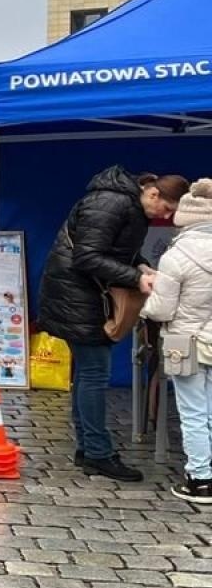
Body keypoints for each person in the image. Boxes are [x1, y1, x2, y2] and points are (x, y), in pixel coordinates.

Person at [39, 168, 187, 481]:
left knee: (87, 373)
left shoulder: (126, 205)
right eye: (167, 209)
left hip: (80, 296)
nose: (167, 217)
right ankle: (98, 453)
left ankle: (88, 448)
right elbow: (87, 257)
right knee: (95, 373)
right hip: (78, 298)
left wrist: (140, 265)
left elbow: (114, 250)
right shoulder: (112, 203)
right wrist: (136, 278)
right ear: (153, 194)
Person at [144, 178, 212, 503]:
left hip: (184, 343)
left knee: (193, 412)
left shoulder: (176, 256)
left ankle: (200, 479)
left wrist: (146, 302)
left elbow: (161, 308)